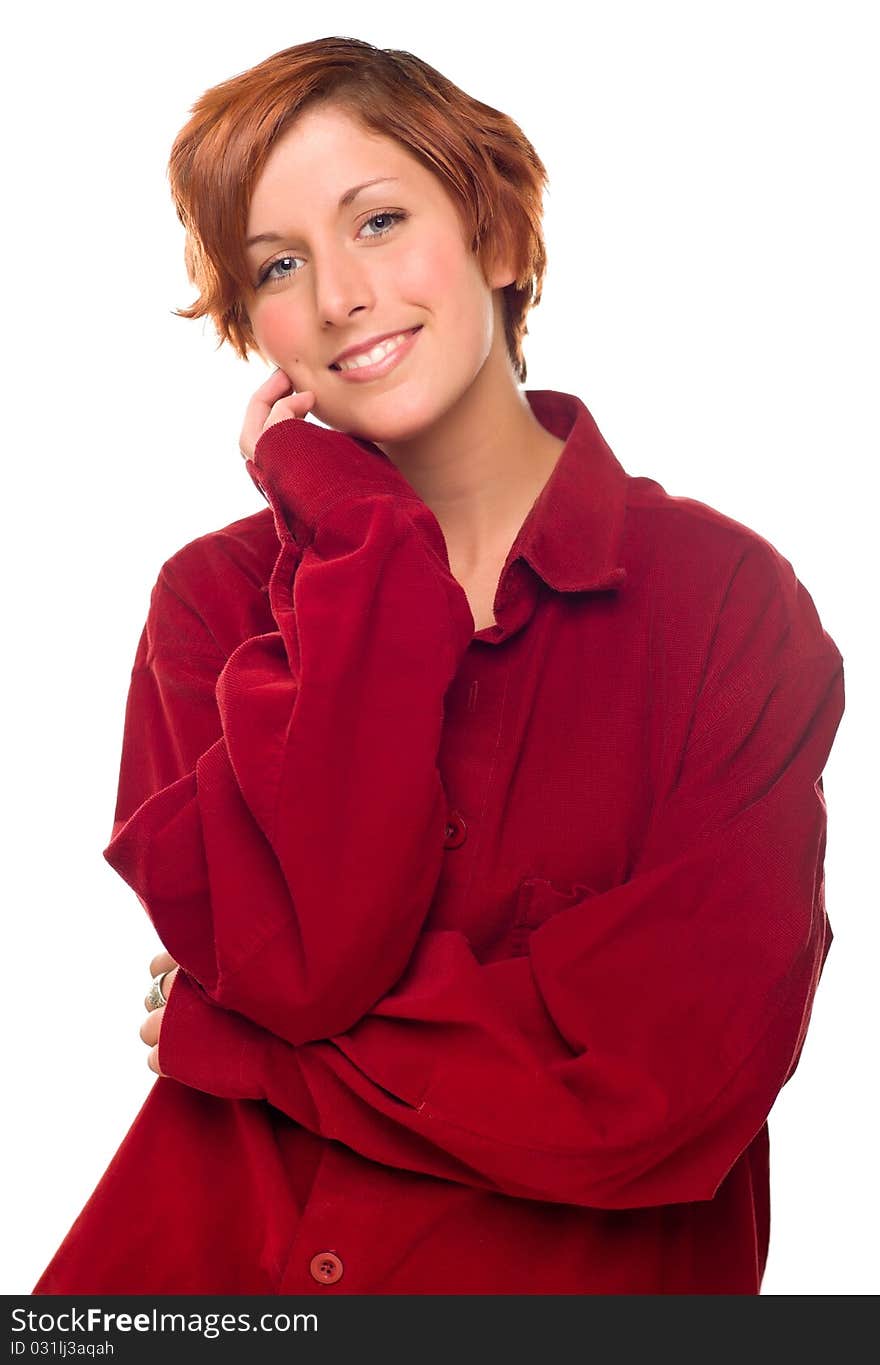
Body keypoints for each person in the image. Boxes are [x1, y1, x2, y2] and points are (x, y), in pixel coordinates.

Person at [32, 35, 845, 1295]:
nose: (342, 294)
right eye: (282, 264)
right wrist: (360, 543)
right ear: (258, 328)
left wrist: (236, 1038)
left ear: (501, 239)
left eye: (379, 220)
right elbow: (306, 964)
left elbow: (665, 1081)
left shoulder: (725, 607)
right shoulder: (209, 606)